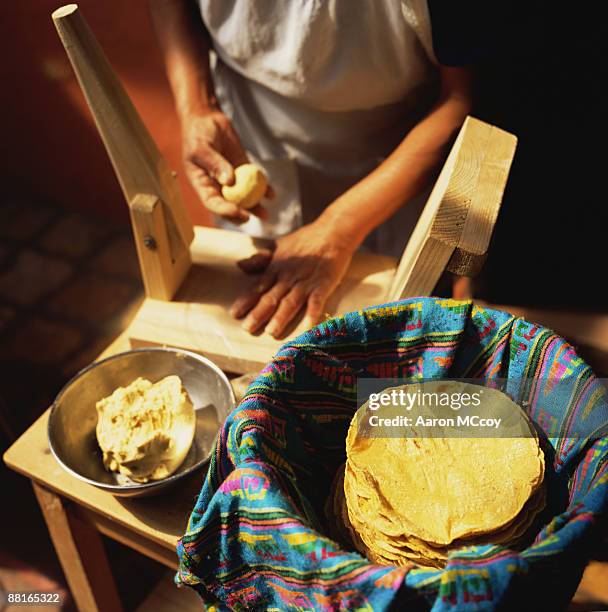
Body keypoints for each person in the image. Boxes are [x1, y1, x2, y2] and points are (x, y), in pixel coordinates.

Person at [149, 0, 472, 338]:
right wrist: (197, 107)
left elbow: (462, 98)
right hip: (253, 137)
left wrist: (339, 228)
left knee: (385, 344)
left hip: (398, 164)